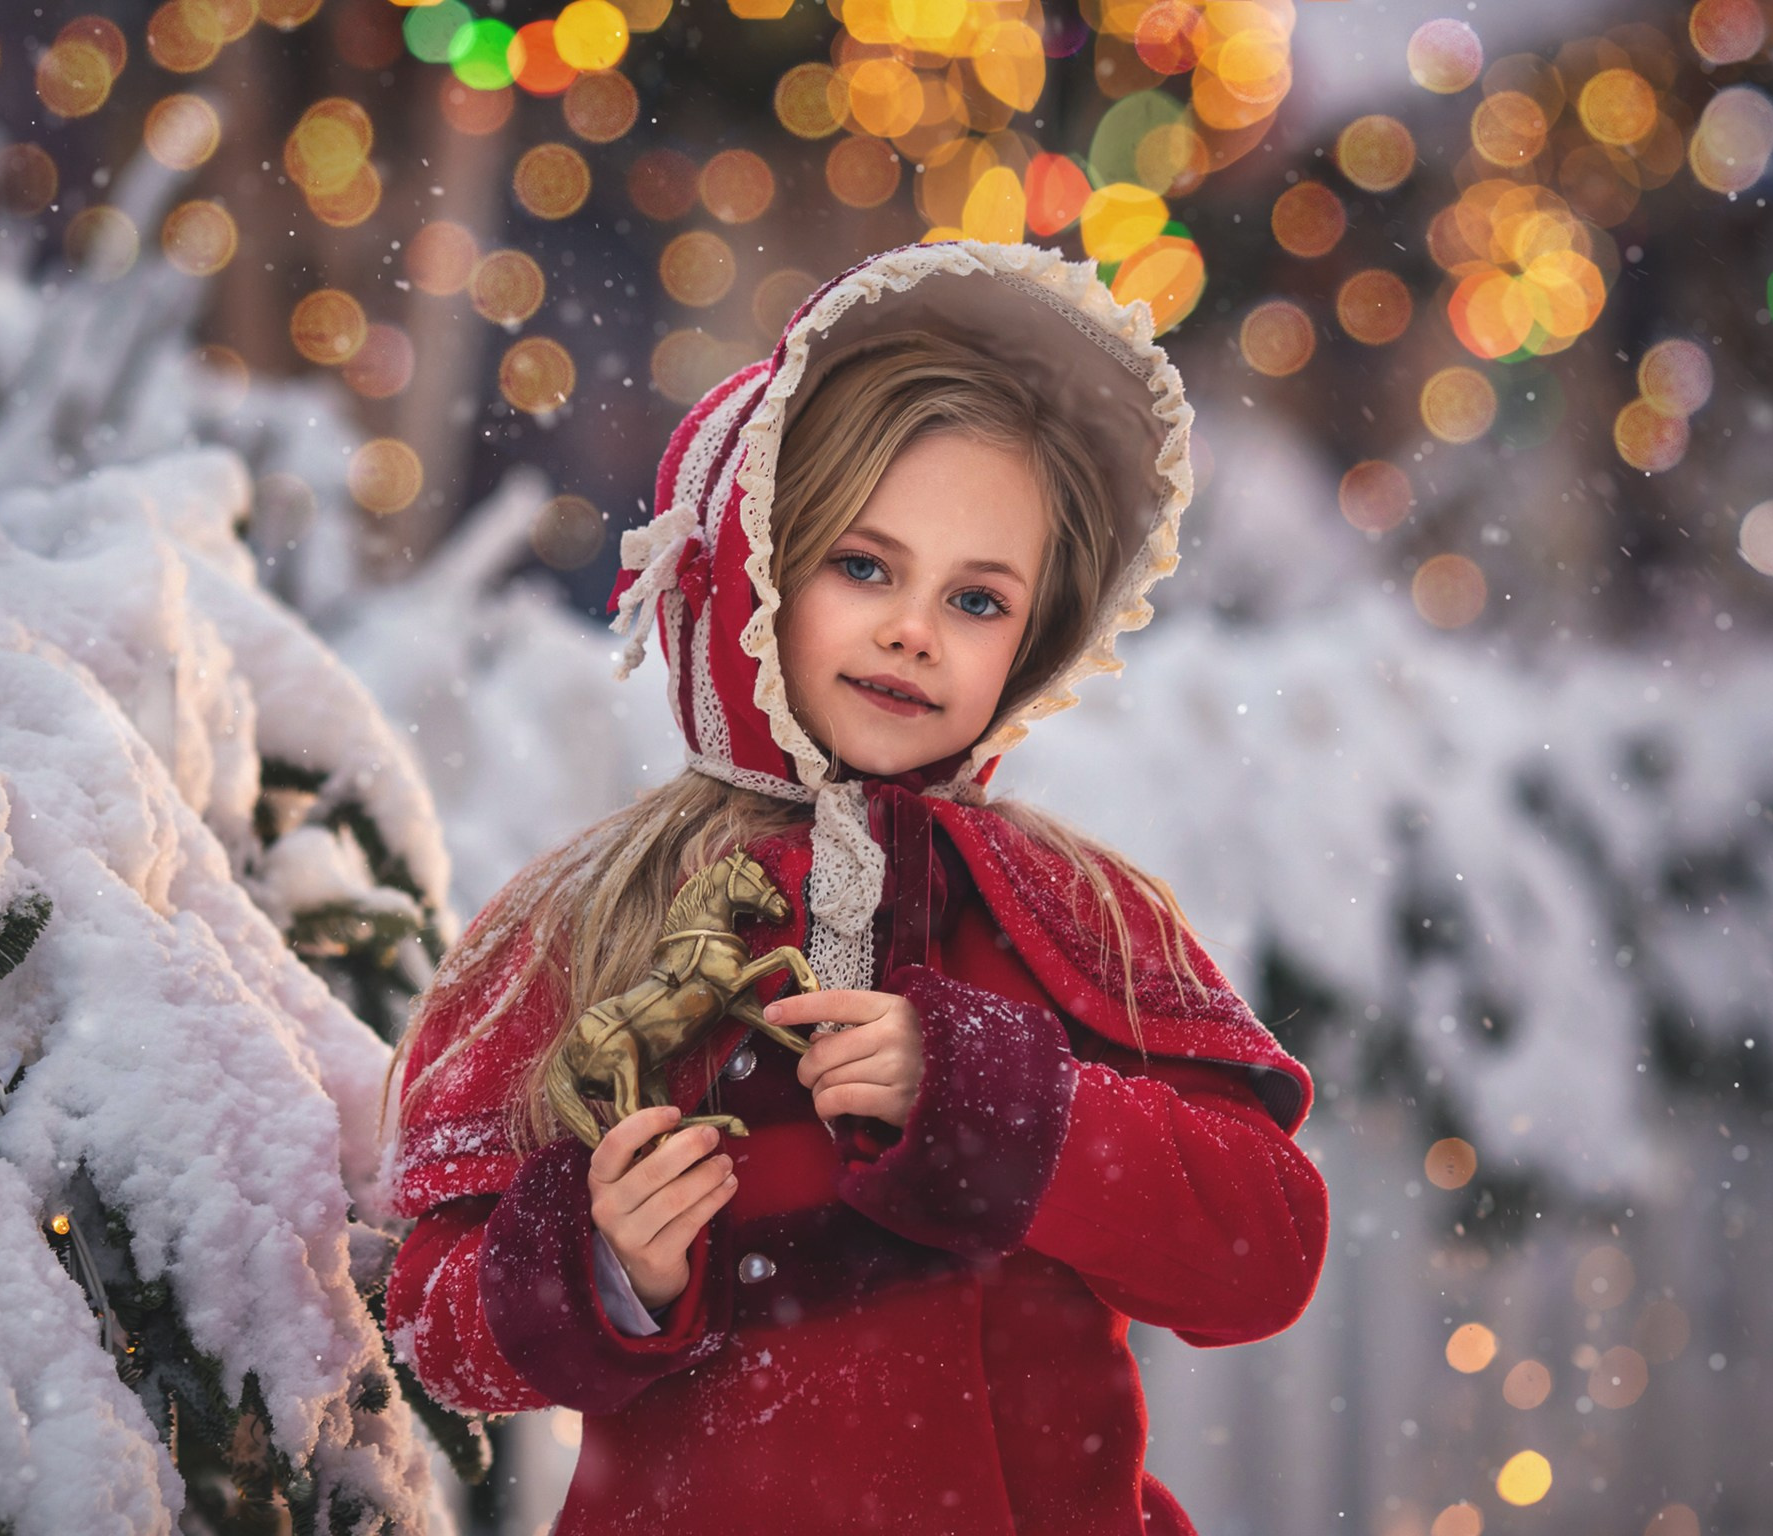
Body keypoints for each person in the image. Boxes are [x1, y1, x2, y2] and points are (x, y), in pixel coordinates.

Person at [384, 240, 1329, 1536]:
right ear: (750, 569)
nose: (914, 631)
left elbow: (1261, 1248)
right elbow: (431, 1322)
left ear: (1039, 634)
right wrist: (600, 1261)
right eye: (864, 566)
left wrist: (1009, 1110)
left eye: (979, 598)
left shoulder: (1074, 916)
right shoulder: (592, 922)